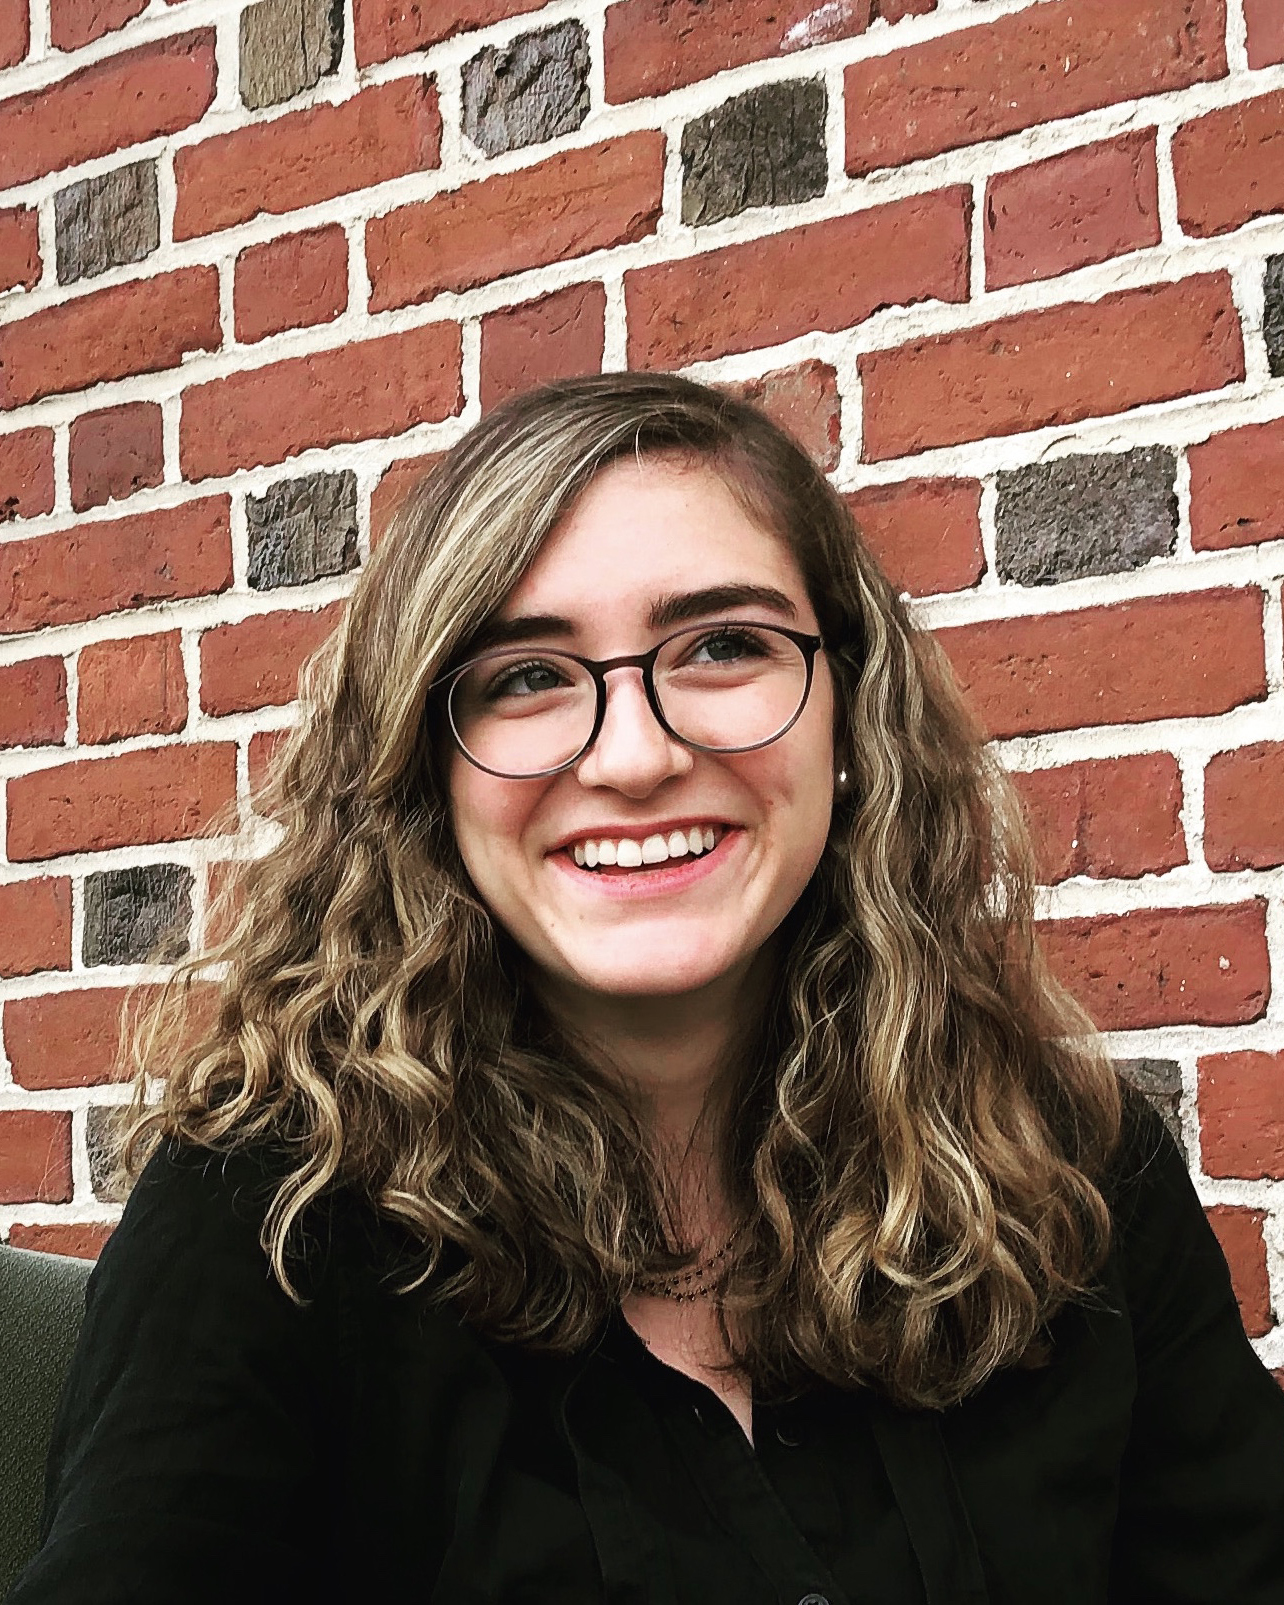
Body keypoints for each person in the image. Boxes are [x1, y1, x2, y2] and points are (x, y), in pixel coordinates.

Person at [9, 373, 1284, 1605]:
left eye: (724, 645)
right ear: (421, 773)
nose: (633, 756)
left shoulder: (1078, 1183)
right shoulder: (267, 1224)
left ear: (850, 716)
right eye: (524, 675)